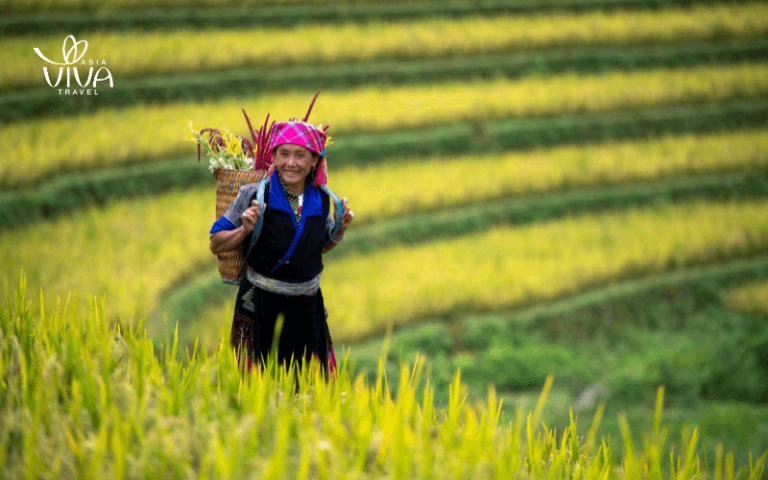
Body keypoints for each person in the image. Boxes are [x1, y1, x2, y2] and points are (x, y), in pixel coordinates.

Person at [208, 120, 353, 375]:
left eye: (300, 155)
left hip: (307, 307)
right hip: (259, 305)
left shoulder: (322, 199)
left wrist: (339, 229)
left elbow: (317, 249)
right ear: (273, 157)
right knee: (253, 384)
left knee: (305, 386)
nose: (291, 163)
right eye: (283, 154)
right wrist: (244, 230)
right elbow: (215, 243)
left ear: (314, 161)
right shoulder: (254, 195)